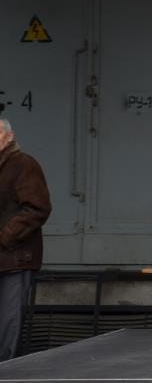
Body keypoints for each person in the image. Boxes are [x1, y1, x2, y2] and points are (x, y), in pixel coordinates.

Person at [0, 119, 52, 361]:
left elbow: (37, 208)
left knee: (8, 325)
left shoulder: (23, 164)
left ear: (9, 136)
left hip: (15, 259)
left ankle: (6, 372)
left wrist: (4, 237)